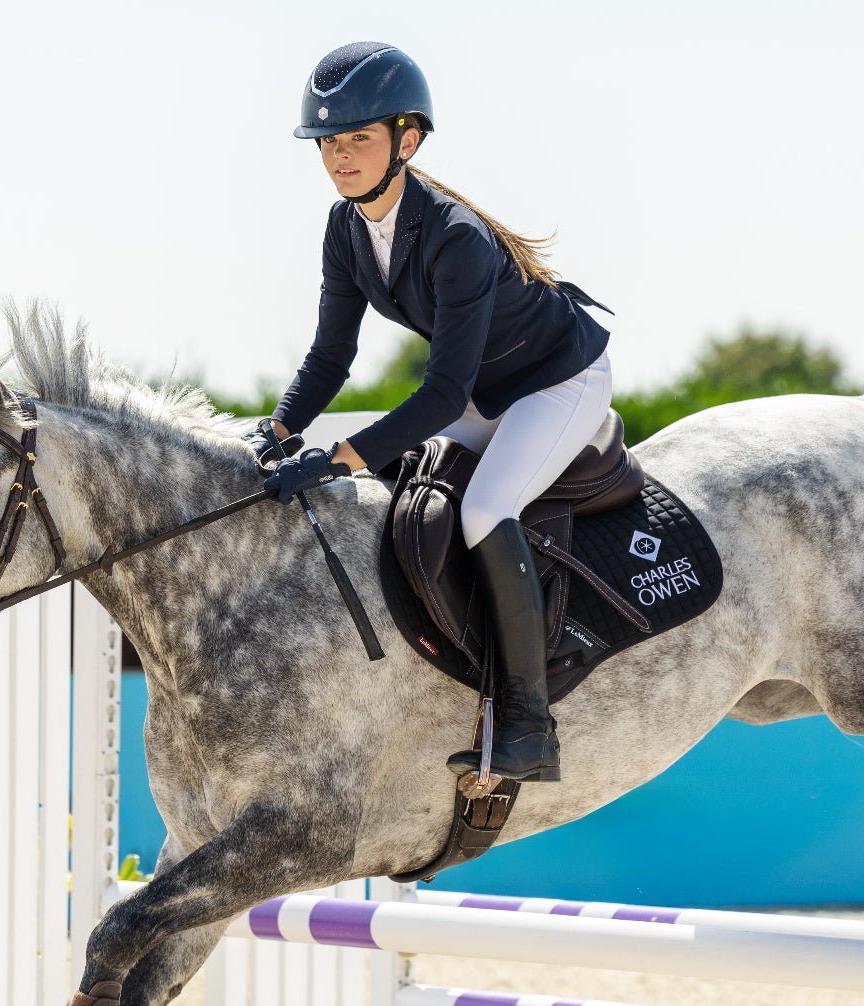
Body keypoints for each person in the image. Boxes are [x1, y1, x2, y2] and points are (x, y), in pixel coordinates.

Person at [249, 41, 613, 783]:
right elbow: (330, 357)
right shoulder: (346, 229)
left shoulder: (455, 237)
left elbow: (442, 395)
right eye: (327, 140)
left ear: (406, 141)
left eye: (358, 137)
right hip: (488, 392)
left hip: (559, 383)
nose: (339, 156)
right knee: (408, 490)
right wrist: (277, 430)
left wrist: (338, 457)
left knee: (483, 508)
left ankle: (528, 724)